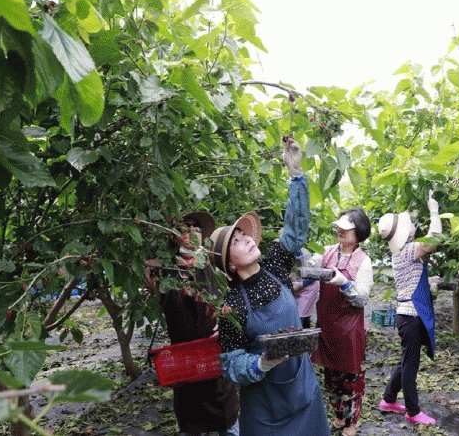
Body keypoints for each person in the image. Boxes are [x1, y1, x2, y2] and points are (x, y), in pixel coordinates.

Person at [209, 137, 330, 436]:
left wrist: (296, 174)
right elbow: (230, 363)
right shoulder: (233, 306)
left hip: (303, 390)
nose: (248, 240)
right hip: (266, 409)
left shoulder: (274, 265)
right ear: (230, 265)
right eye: (237, 242)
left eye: (245, 236)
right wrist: (261, 363)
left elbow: (295, 230)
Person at [144, 212, 240, 436]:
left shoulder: (212, 266)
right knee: (191, 418)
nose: (191, 232)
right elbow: (146, 269)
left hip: (214, 357)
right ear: (173, 235)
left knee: (227, 418)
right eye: (184, 228)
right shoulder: (163, 272)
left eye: (196, 228)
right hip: (184, 363)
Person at [376, 191, 441, 426]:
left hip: (407, 316)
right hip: (410, 318)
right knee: (411, 365)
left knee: (406, 359)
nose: (413, 225)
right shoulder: (409, 250)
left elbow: (412, 280)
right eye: (409, 224)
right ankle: (413, 412)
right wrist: (434, 210)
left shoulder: (401, 253)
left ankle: (388, 399)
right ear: (406, 233)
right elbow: (434, 239)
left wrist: (429, 281)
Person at [310, 209, 374, 436]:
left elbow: (362, 298)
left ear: (359, 233)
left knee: (351, 379)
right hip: (327, 326)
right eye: (340, 227)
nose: (340, 231)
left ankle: (351, 424)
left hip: (349, 329)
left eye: (346, 228)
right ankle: (338, 416)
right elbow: (310, 269)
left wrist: (345, 283)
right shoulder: (327, 252)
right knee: (331, 377)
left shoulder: (363, 261)